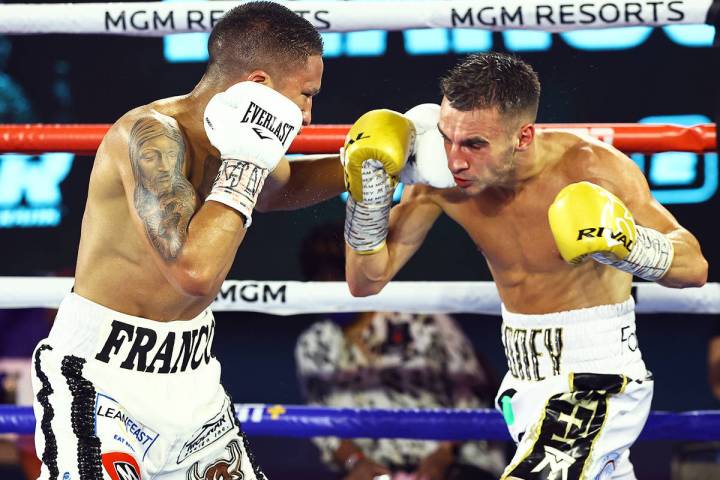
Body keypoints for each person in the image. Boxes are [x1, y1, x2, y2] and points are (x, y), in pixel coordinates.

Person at [342, 52, 708, 479]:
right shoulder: (442, 182)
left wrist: (629, 245)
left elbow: (694, 265)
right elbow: (364, 281)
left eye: (475, 144)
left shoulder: (588, 168)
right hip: (523, 381)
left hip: (596, 379)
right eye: (447, 137)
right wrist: (369, 201)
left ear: (523, 136)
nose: (456, 159)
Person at [29, 3, 344, 479]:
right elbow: (193, 272)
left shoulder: (233, 140)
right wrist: (245, 164)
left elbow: (285, 187)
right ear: (258, 86)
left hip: (193, 381)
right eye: (305, 94)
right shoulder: (149, 136)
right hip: (102, 381)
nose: (308, 113)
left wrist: (369, 162)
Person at [294, 223, 506, 480]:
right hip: (377, 470)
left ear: (353, 275)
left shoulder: (420, 318)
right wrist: (356, 463)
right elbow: (323, 424)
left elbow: (473, 391)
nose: (329, 285)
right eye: (320, 279)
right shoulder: (313, 344)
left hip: (453, 462)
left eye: (335, 275)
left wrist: (443, 455)